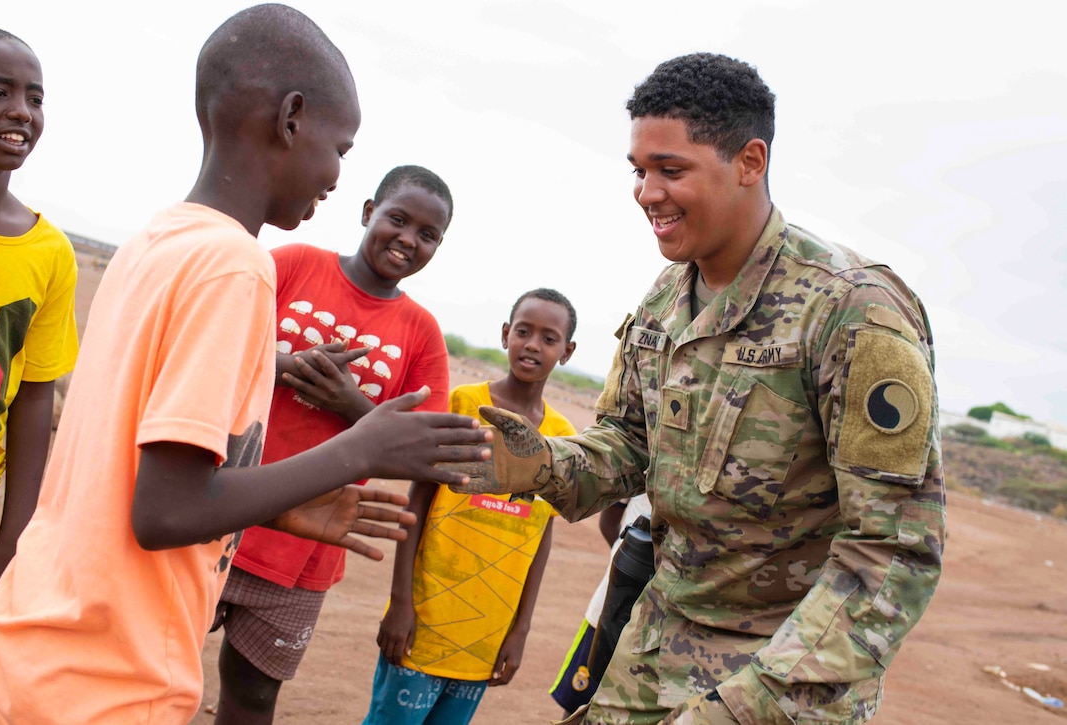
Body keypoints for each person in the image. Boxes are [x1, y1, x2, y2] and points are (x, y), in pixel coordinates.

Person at [0, 7, 490, 725]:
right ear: (290, 119)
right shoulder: (236, 267)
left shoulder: (159, 238)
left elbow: (131, 472)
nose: (336, 176)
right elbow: (166, 512)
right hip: (105, 682)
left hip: (34, 645)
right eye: (338, 148)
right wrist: (361, 445)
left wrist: (277, 501)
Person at [447, 52, 945, 725]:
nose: (647, 192)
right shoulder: (664, 299)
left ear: (749, 161)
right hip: (651, 651)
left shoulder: (853, 311)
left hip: (778, 682)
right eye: (640, 170)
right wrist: (541, 463)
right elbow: (628, 444)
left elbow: (891, 551)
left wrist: (748, 705)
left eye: (671, 170)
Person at [211, 164, 457, 725]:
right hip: (213, 511)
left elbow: (424, 449)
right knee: (160, 666)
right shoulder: (294, 265)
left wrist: (351, 405)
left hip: (304, 551)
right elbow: (215, 340)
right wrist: (284, 366)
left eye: (428, 234)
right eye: (398, 219)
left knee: (252, 698)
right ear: (369, 211)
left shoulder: (421, 334)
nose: (408, 239)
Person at [363, 288, 580, 725]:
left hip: (485, 633)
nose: (533, 344)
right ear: (505, 335)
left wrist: (519, 631)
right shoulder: (462, 403)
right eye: (523, 331)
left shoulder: (563, 438)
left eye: (549, 338)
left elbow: (542, 536)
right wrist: (400, 603)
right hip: (422, 621)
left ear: (567, 351)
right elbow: (418, 502)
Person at [0, 27, 78, 619]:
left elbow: (36, 395)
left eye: (35, 98)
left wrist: (13, 535)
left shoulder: (48, 251)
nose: (21, 112)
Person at [549, 494, 651, 719]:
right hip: (610, 611)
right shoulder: (651, 459)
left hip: (665, 626)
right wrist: (631, 570)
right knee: (580, 705)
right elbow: (608, 521)